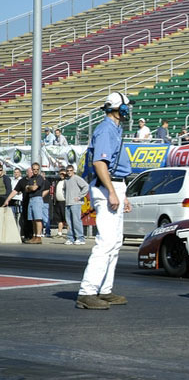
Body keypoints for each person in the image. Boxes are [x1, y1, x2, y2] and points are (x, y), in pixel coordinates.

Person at [76, 92, 133, 310]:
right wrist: (111, 191)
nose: (129, 111)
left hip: (115, 184)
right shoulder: (106, 130)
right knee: (106, 242)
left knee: (115, 242)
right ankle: (87, 291)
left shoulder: (114, 129)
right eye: (127, 107)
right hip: (106, 186)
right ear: (120, 109)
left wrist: (121, 194)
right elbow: (100, 164)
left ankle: (104, 290)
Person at [63, 165, 88, 245]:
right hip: (68, 203)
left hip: (76, 204)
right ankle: (71, 238)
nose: (69, 172)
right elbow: (64, 190)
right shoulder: (66, 180)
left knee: (76, 221)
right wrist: (65, 197)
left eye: (70, 170)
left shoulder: (77, 178)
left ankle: (80, 238)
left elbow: (86, 186)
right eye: (67, 171)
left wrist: (80, 196)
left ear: (73, 171)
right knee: (69, 222)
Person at [24, 163, 45, 244]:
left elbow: (34, 188)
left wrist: (30, 187)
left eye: (37, 169)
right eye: (34, 169)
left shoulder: (40, 178)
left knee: (38, 219)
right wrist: (30, 187)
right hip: (31, 199)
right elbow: (26, 189)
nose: (35, 171)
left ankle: (39, 237)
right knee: (33, 219)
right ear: (32, 170)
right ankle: (34, 236)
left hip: (37, 199)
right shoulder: (31, 178)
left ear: (39, 170)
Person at [54, 169, 67, 237]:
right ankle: (59, 232)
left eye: (63, 174)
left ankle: (69, 233)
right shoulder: (57, 181)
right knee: (59, 218)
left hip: (65, 201)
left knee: (66, 218)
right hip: (58, 201)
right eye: (60, 174)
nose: (62, 175)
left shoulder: (67, 181)